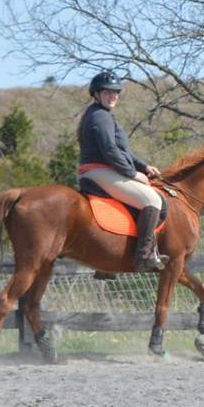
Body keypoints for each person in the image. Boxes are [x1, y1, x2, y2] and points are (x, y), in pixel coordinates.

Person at [76, 71, 170, 270]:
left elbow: (122, 151)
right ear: (96, 94)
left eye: (116, 92)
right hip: (100, 171)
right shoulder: (101, 117)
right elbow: (110, 150)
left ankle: (112, 259)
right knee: (153, 201)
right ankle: (143, 256)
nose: (113, 96)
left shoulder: (100, 115)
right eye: (107, 92)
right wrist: (133, 174)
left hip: (103, 171)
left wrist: (143, 166)